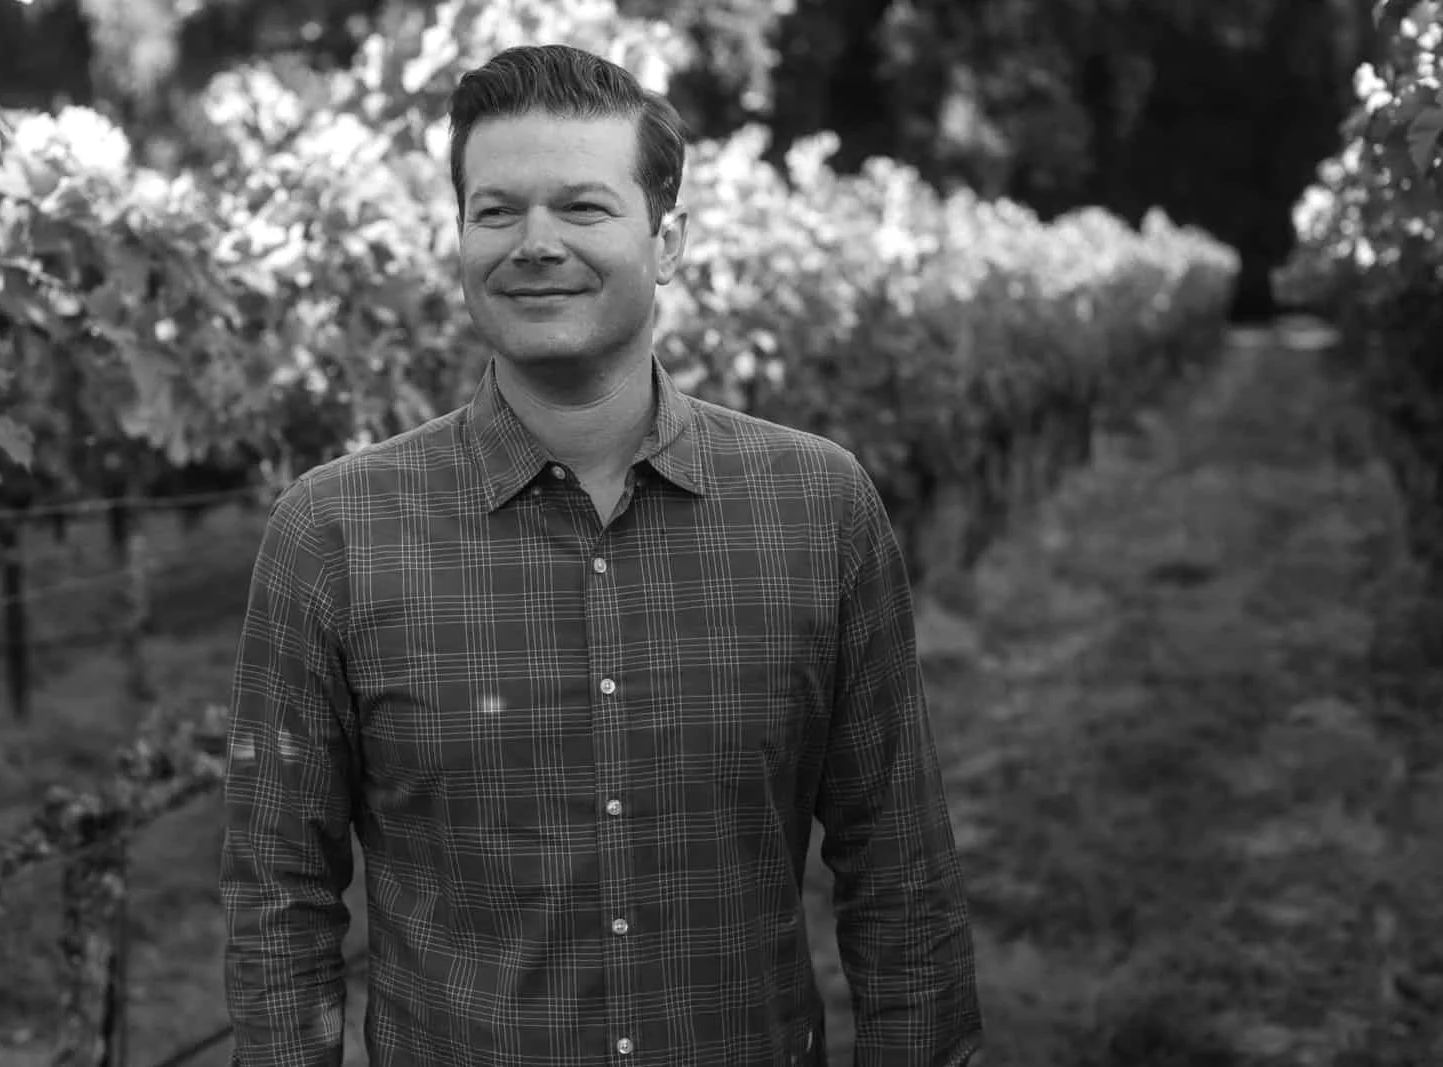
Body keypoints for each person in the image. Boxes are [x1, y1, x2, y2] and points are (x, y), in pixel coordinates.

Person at [220, 42, 983, 1067]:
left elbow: (900, 875)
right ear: (459, 236)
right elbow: (278, 900)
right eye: (496, 211)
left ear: (665, 241)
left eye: (581, 207)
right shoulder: (334, 534)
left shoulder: (818, 507)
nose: (533, 243)